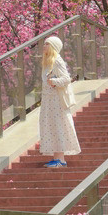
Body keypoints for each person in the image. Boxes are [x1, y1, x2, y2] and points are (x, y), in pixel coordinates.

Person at [39, 35, 81, 168]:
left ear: (53, 46)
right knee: (51, 127)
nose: (44, 46)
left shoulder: (57, 60)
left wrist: (53, 81)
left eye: (47, 44)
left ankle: (60, 160)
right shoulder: (48, 62)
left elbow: (66, 79)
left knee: (58, 126)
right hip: (49, 100)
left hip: (56, 100)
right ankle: (57, 158)